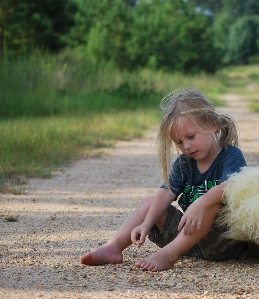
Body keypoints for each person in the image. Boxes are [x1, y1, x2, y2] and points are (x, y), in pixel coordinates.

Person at [80, 87, 248, 271]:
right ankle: (113, 247)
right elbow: (166, 191)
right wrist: (147, 222)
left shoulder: (230, 155)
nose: (186, 146)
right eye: (179, 142)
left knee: (212, 204)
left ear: (211, 125)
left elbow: (231, 186)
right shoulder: (185, 162)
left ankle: (169, 255)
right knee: (150, 202)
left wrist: (201, 203)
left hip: (222, 243)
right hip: (188, 240)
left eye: (191, 137)